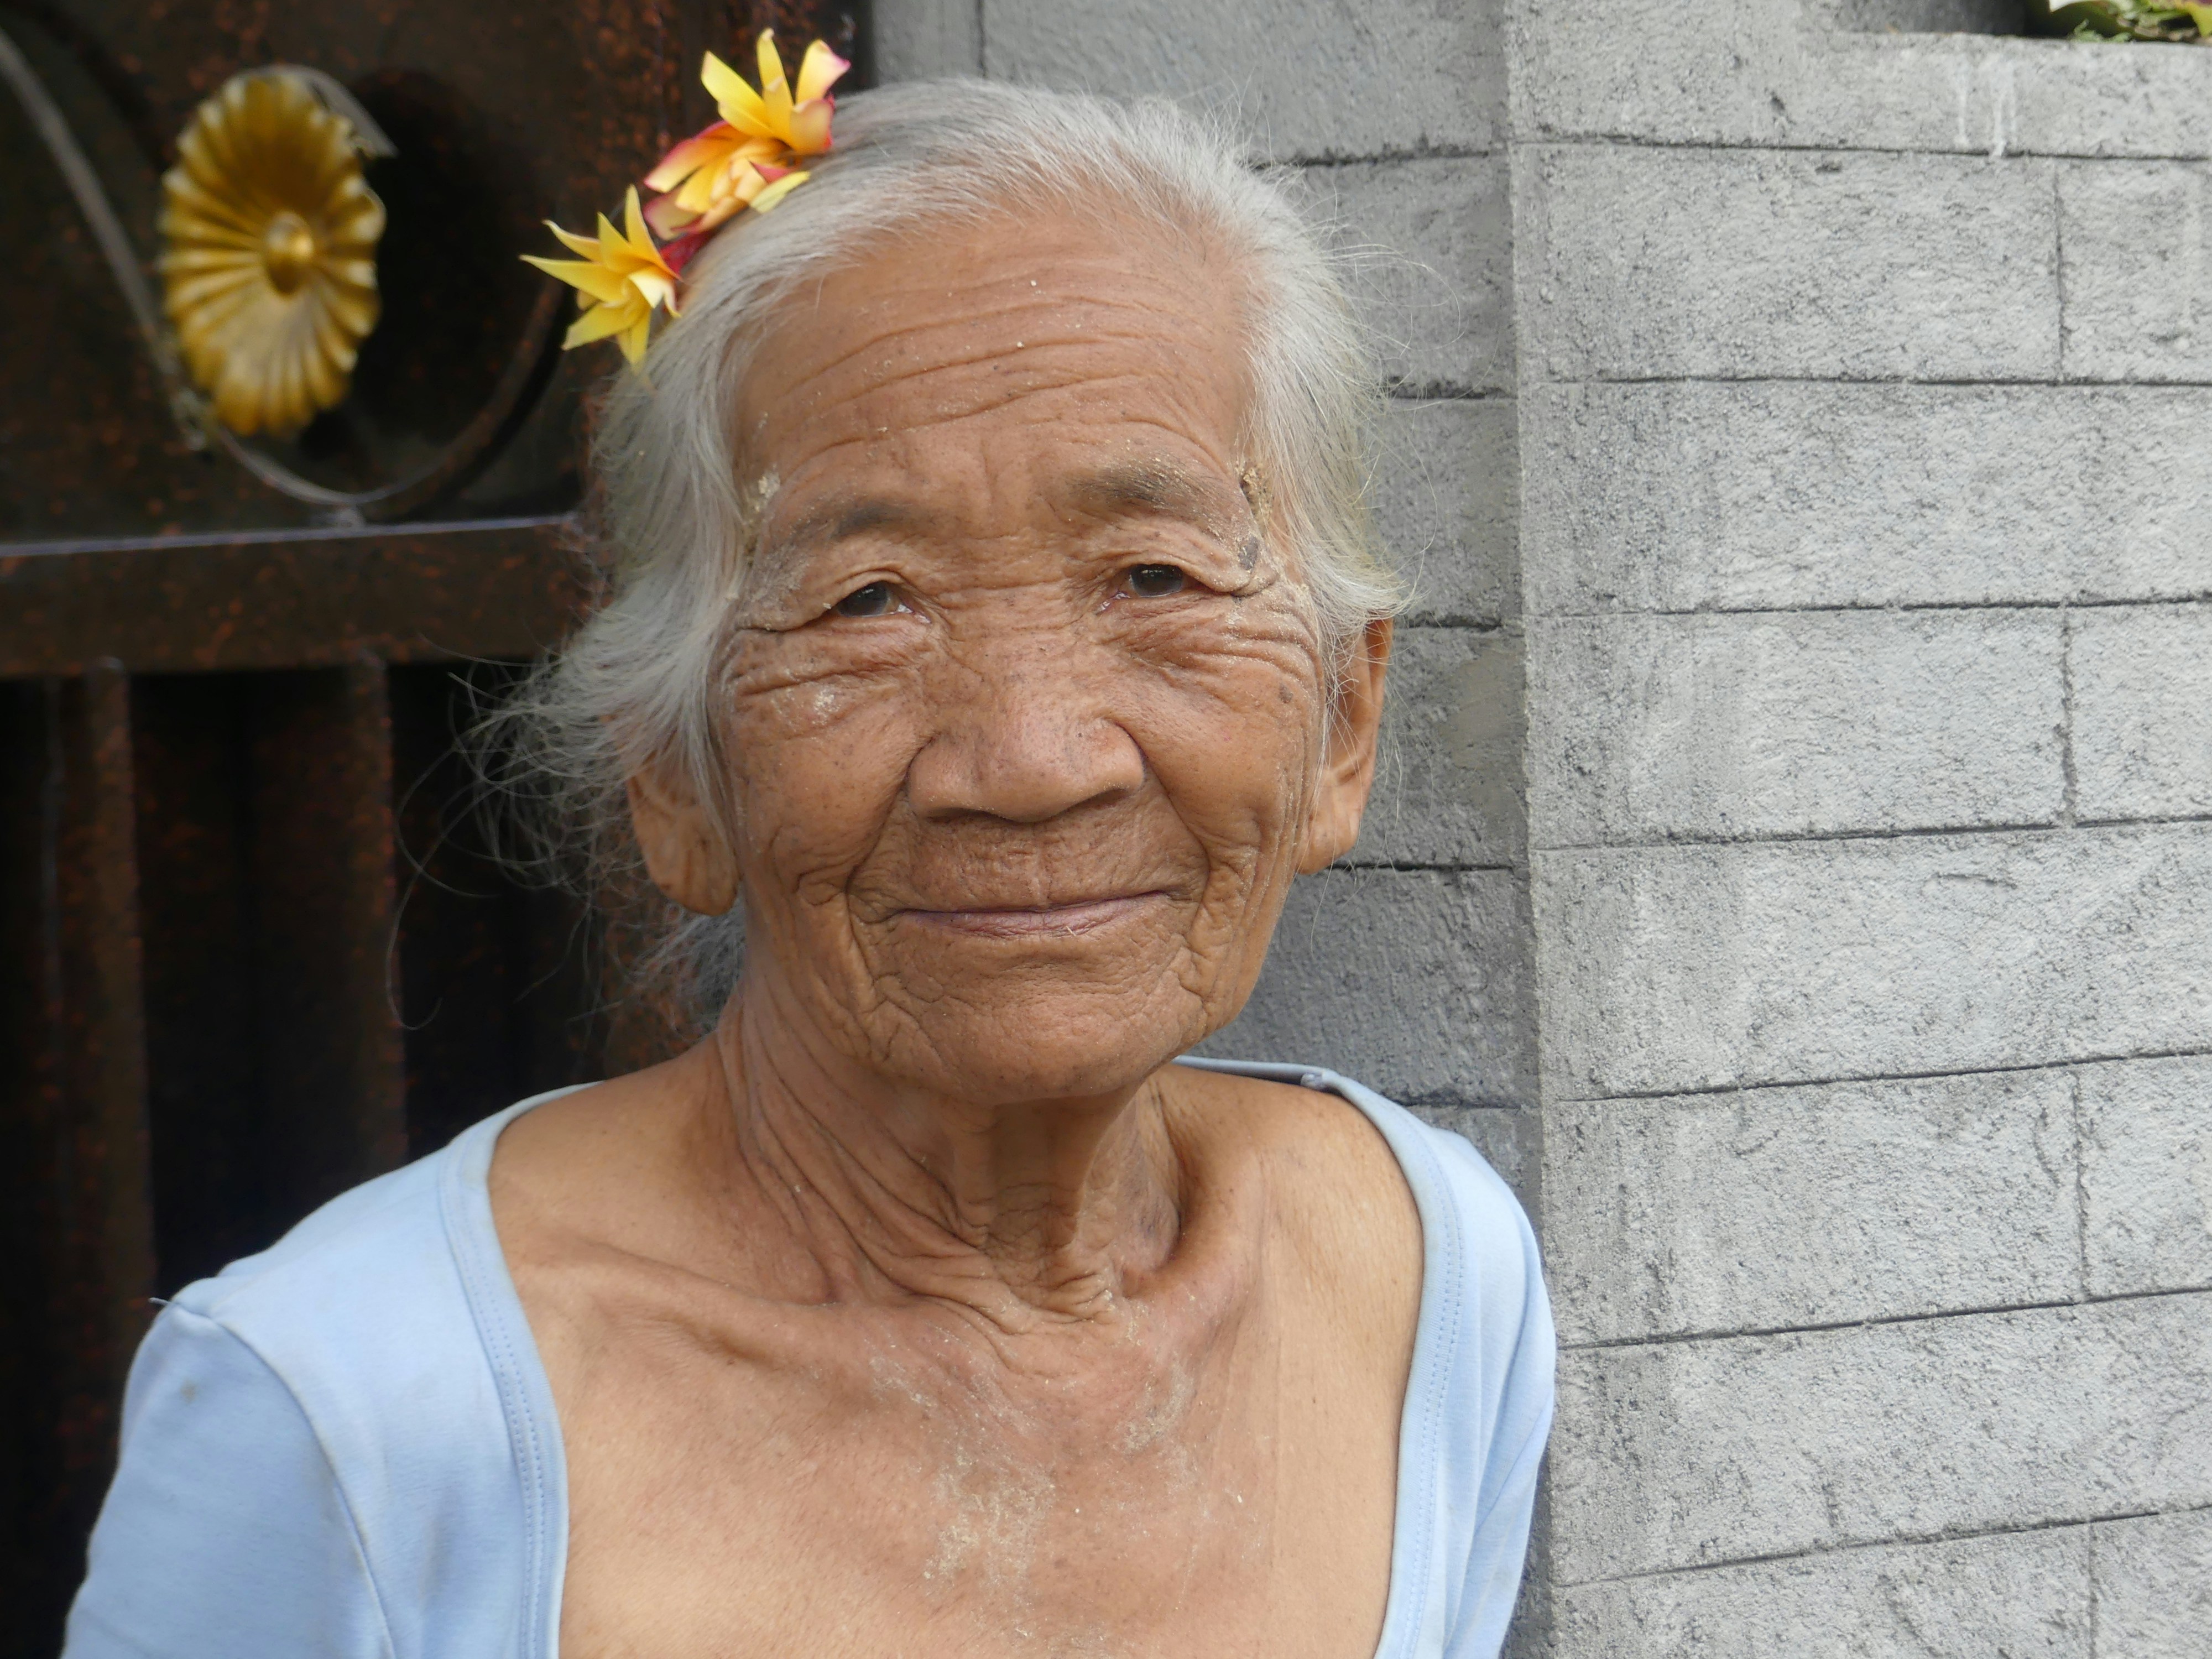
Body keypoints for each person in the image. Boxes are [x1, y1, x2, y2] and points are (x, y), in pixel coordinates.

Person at [64, 76, 1553, 1659]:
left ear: (1343, 722)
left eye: (1153, 576)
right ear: (671, 769)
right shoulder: (353, 1412)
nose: (1032, 759)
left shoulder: (1420, 1277)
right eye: (868, 602)